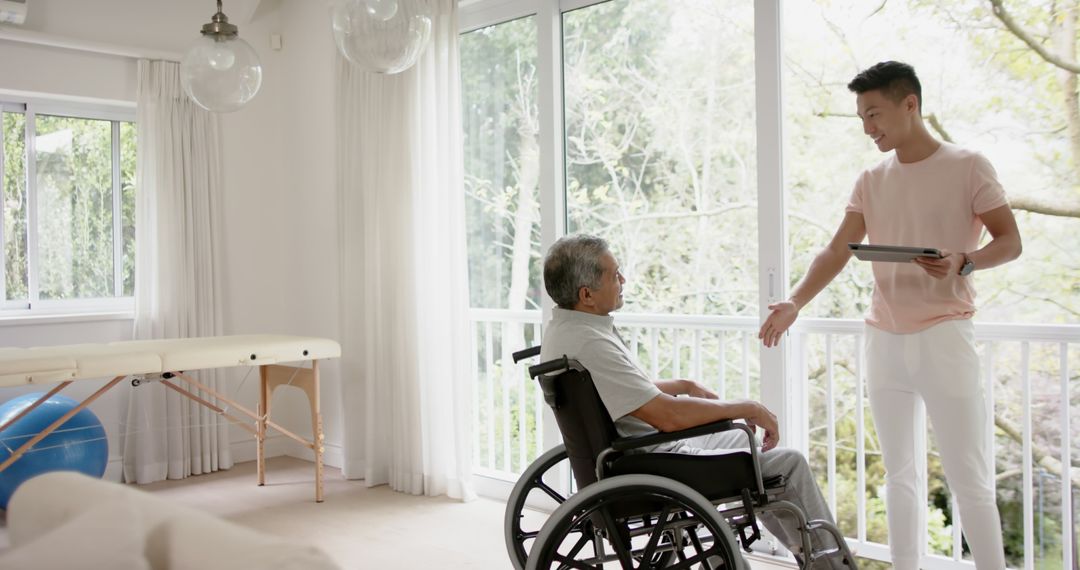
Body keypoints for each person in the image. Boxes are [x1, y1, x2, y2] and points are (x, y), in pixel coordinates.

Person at [758, 61, 1022, 570]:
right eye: (861, 117)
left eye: (874, 113)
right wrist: (795, 302)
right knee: (899, 475)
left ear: (910, 104)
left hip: (946, 335)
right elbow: (836, 251)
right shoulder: (872, 178)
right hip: (883, 339)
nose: (868, 128)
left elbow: (1009, 241)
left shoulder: (969, 165)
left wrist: (965, 259)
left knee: (969, 475)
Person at [540, 234, 847, 569]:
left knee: (753, 451)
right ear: (586, 295)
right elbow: (668, 417)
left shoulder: (566, 332)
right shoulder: (591, 342)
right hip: (653, 458)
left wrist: (683, 384)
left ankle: (747, 555)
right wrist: (748, 407)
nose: (623, 280)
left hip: (631, 453)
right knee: (788, 465)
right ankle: (831, 565)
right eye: (615, 274)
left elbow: (617, 391)